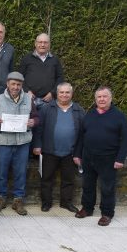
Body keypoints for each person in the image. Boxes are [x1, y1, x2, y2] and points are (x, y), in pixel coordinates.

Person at [74, 87, 127, 226]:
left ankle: (107, 213)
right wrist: (77, 154)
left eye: (105, 96)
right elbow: (81, 136)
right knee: (87, 185)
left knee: (107, 187)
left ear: (110, 98)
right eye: (99, 97)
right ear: (95, 99)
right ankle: (87, 209)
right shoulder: (90, 114)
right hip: (88, 157)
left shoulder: (119, 116)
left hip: (108, 158)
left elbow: (126, 139)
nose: (102, 99)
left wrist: (120, 159)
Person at [0, 72, 39, 215]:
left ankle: (18, 200)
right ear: (7, 84)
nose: (15, 87)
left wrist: (33, 122)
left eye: (18, 84)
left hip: (23, 142)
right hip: (3, 142)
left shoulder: (29, 99)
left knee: (21, 172)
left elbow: (36, 117)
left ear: (22, 85)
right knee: (1, 172)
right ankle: (0, 198)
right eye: (13, 84)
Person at [32, 83, 84, 212]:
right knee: (46, 179)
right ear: (57, 93)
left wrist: (80, 152)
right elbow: (39, 128)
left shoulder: (79, 110)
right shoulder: (47, 108)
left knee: (68, 180)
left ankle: (66, 203)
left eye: (67, 92)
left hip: (70, 152)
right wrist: (37, 145)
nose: (64, 95)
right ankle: (46, 203)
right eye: (61, 92)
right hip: (50, 150)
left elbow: (84, 132)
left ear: (72, 94)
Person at [19, 33, 64, 110]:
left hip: (48, 100)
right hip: (29, 99)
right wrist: (27, 91)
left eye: (45, 42)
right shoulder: (27, 59)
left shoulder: (55, 60)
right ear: (35, 43)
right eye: (40, 42)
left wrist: (52, 93)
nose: (42, 45)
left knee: (47, 122)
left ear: (49, 44)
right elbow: (20, 77)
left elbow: (60, 78)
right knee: (30, 122)